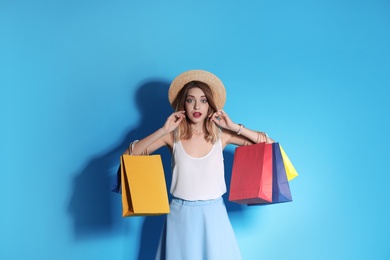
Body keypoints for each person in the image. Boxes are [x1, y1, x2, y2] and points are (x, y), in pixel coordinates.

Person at [123, 70, 273, 260]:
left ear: (210, 105)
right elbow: (129, 155)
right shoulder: (172, 136)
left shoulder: (222, 135)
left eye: (203, 100)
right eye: (190, 100)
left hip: (214, 215)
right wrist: (162, 130)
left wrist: (235, 127)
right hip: (180, 214)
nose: (197, 106)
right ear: (182, 104)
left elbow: (269, 146)